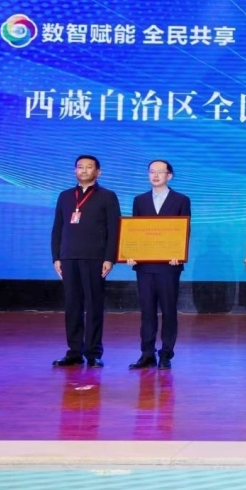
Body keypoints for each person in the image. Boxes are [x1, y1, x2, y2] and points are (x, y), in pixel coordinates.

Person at [51, 155, 121, 368]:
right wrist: (56, 257)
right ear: (75, 171)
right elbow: (58, 228)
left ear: (98, 172)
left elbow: (114, 230)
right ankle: (74, 352)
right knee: (72, 305)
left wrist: (110, 258)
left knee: (93, 305)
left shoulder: (107, 196)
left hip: (95, 258)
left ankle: (93, 352)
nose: (83, 170)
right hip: (68, 257)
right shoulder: (65, 196)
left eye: (89, 167)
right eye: (80, 167)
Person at [126, 160, 191, 371]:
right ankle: (147, 354)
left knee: (169, 310)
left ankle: (166, 354)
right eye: (151, 172)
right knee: (147, 311)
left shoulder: (181, 200)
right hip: (145, 266)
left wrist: (179, 254)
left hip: (169, 266)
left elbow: (184, 230)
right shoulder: (140, 200)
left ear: (169, 176)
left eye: (160, 172)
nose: (155, 176)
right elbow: (134, 230)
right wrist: (131, 253)